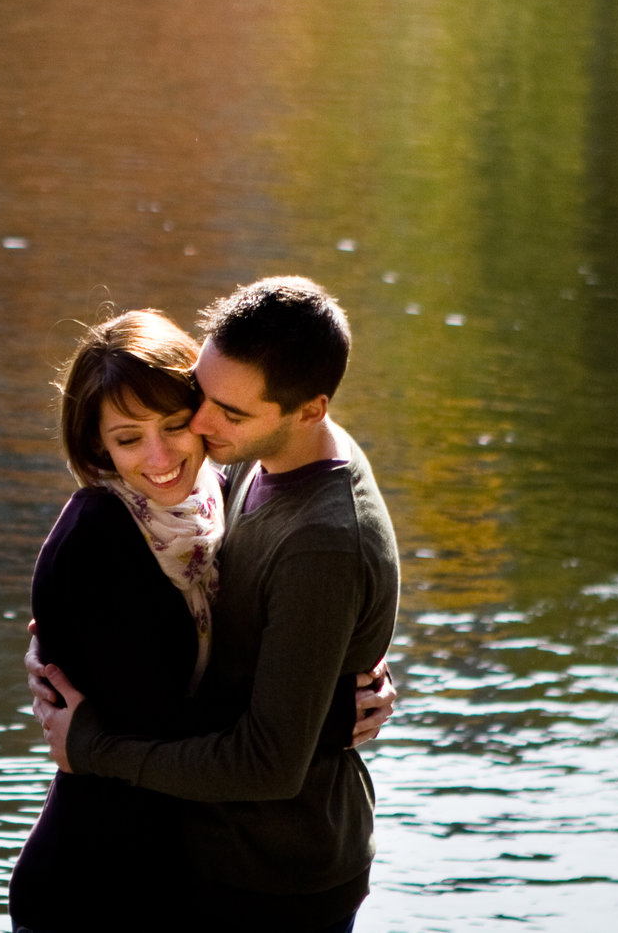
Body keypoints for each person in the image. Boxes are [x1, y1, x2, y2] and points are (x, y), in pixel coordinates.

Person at [30, 278, 400, 933]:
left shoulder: (321, 540)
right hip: (189, 861)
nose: (199, 424)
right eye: (203, 393)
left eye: (225, 413)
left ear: (310, 409)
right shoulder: (247, 467)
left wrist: (91, 744)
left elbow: (269, 758)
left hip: (272, 879)